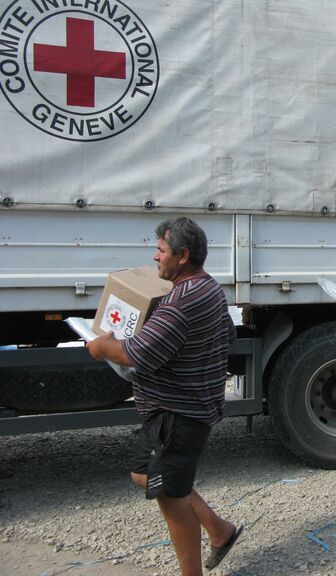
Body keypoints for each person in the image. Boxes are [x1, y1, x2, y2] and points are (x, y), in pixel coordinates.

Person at [86, 217, 240, 575]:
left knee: (171, 498)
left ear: (182, 256)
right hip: (182, 411)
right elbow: (227, 335)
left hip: (177, 415)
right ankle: (220, 530)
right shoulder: (209, 289)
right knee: (145, 475)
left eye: (161, 250)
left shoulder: (180, 302)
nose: (155, 257)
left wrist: (102, 346)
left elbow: (132, 354)